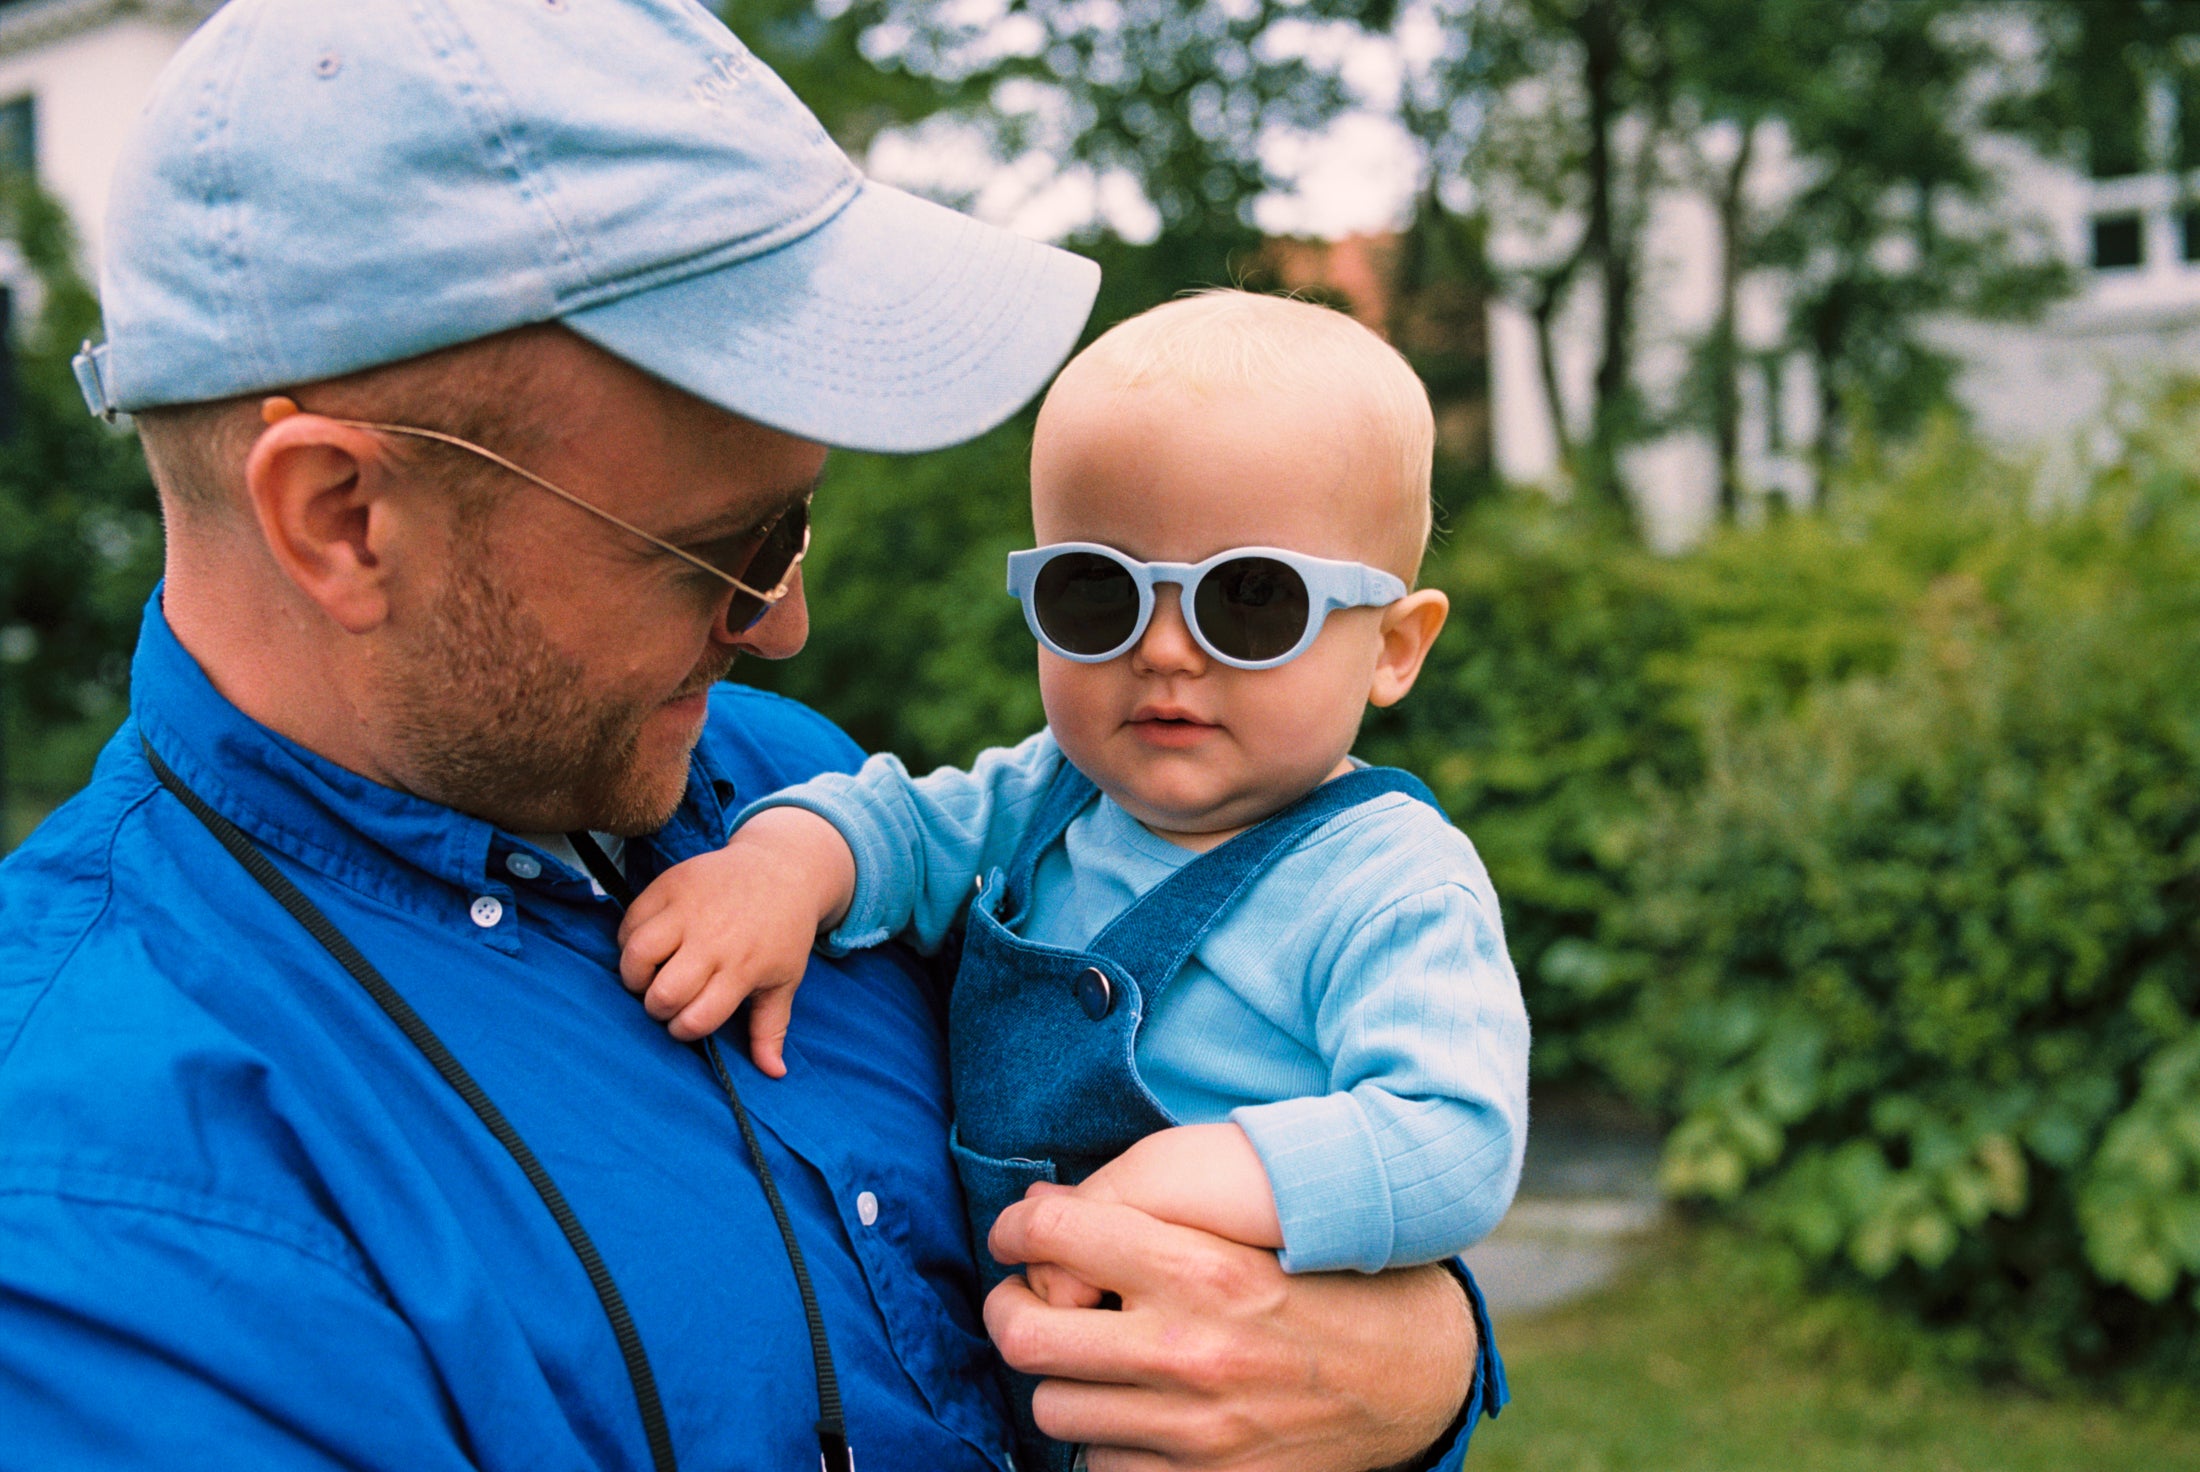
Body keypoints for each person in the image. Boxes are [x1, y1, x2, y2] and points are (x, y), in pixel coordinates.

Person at [0, 1, 1505, 1470]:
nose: (781, 626)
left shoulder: (772, 788)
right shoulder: (102, 1204)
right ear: (344, 518)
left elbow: (1259, 1198)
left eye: (798, 521)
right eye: (726, 543)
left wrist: (1420, 1364)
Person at [614, 290, 1531, 1470]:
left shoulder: (1387, 882)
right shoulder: (1042, 796)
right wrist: (780, 866)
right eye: (1096, 592)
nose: (1160, 645)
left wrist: (1193, 1173)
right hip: (1019, 1385)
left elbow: (1451, 1133)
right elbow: (893, 822)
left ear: (1394, 645)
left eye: (1250, 600)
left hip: (1220, 1405)